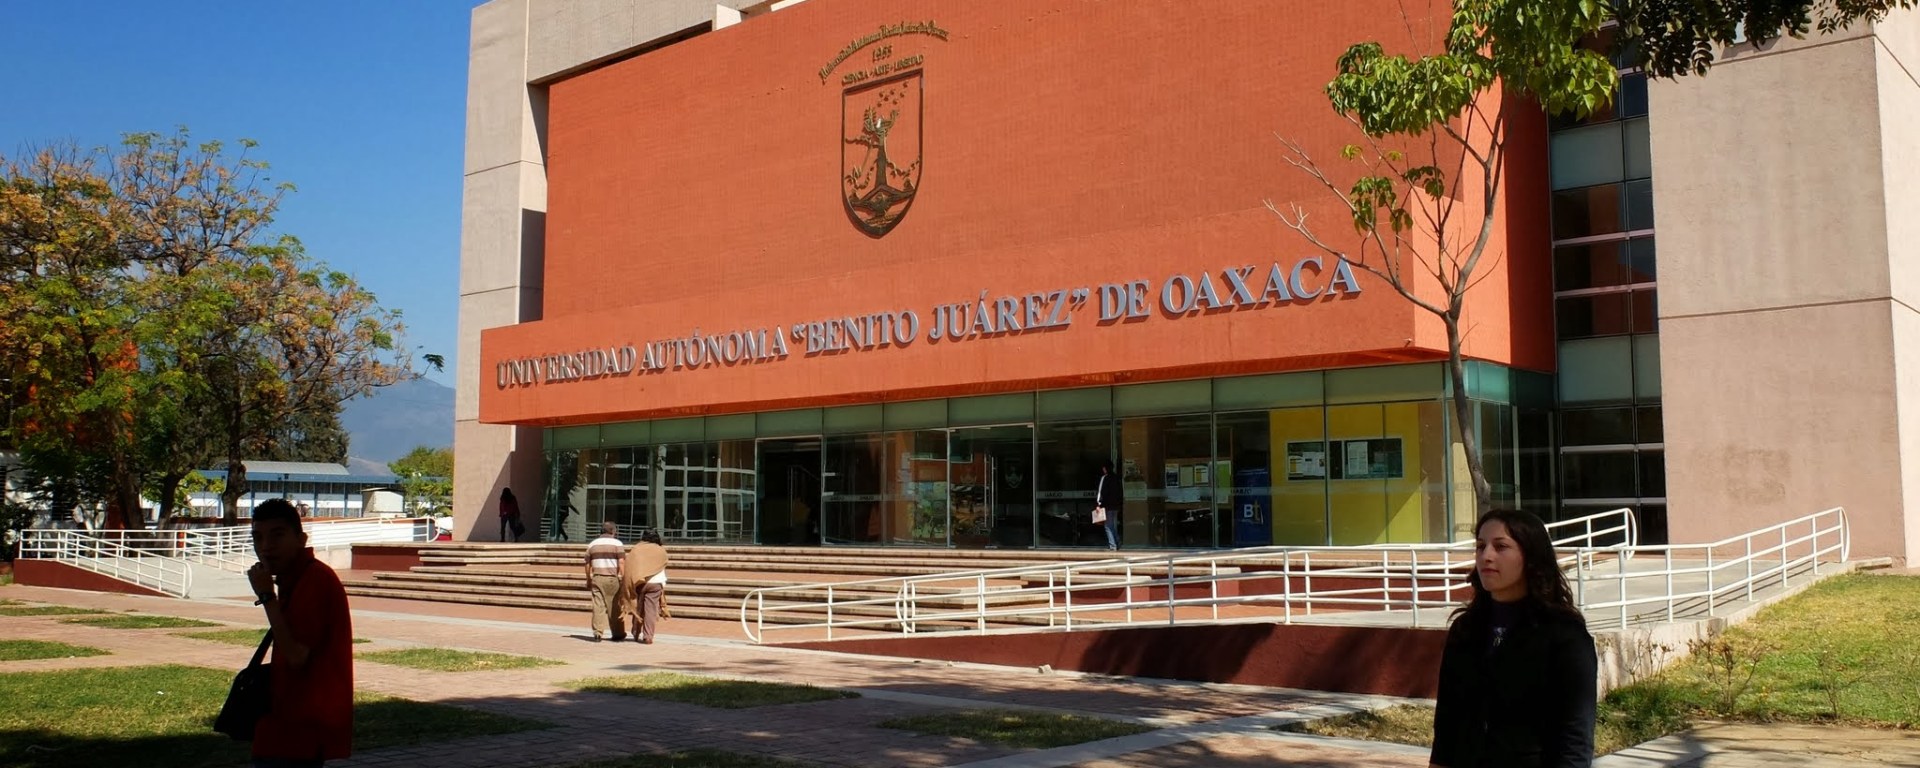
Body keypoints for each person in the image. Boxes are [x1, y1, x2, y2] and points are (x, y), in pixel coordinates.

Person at [1430, 509, 1597, 768]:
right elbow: (1446, 725)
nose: (1486, 556)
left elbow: (1575, 738)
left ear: (1531, 556)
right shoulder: (1465, 630)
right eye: (1480, 546)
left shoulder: (1565, 636)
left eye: (1501, 546)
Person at [246, 498, 353, 767]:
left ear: (301, 539)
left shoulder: (314, 580)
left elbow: (296, 656)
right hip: (285, 727)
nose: (266, 547)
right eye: (258, 538)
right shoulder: (295, 578)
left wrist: (266, 597)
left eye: (277, 535)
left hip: (299, 733)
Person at [619, 531, 669, 644]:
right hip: (656, 583)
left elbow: (630, 566)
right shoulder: (661, 550)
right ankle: (648, 636)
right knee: (651, 610)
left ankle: (636, 632)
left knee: (638, 609)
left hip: (640, 582)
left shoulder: (636, 549)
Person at [584, 521, 625, 641]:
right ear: (613, 531)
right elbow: (621, 562)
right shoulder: (617, 543)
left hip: (597, 577)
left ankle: (597, 632)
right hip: (612, 578)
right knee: (614, 606)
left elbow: (587, 563)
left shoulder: (592, 544)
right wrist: (623, 577)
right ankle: (617, 633)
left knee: (598, 606)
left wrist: (588, 578)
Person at [1095, 459, 1122, 550]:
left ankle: (1113, 545)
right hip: (1116, 506)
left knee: (1108, 526)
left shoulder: (1104, 478)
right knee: (1112, 525)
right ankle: (1117, 542)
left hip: (1107, 506)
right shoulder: (1117, 478)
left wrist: (1099, 504)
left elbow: (1101, 492)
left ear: (1105, 468)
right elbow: (1120, 492)